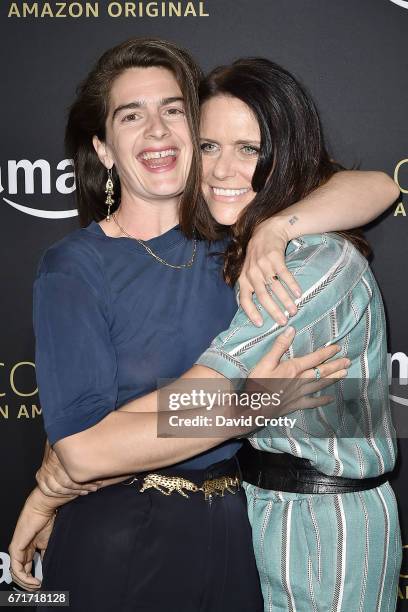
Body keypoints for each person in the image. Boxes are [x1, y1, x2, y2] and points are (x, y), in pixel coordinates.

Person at [9, 38, 398, 611]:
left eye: (173, 111)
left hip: (240, 530)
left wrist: (276, 228)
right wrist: (251, 406)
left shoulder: (239, 240)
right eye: (131, 115)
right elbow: (87, 445)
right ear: (104, 148)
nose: (158, 130)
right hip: (128, 537)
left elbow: (381, 186)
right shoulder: (75, 267)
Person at [192, 57, 402, 611]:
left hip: (323, 529)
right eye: (209, 146)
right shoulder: (241, 246)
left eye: (248, 149)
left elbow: (192, 407)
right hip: (264, 508)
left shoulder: (308, 262)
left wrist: (71, 469)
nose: (220, 169)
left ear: (283, 153)